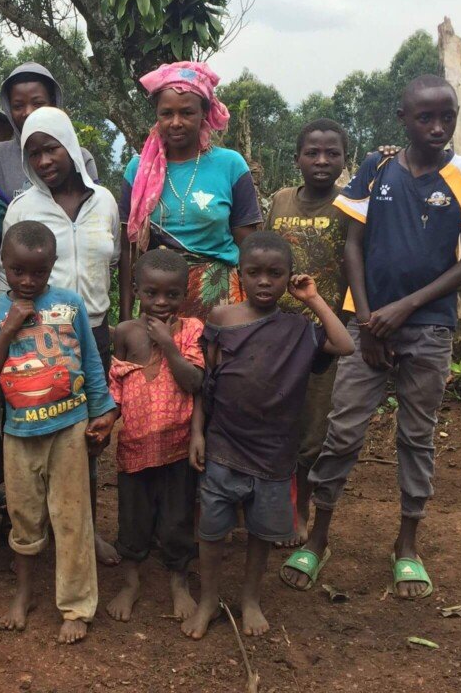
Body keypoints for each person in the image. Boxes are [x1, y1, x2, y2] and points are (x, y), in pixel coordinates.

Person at [281, 75, 461, 599]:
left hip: (428, 330)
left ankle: (407, 545)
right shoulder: (375, 169)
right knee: (343, 432)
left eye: (446, 116)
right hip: (369, 328)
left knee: (416, 436)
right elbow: (353, 245)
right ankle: (319, 538)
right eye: (425, 117)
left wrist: (403, 308)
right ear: (402, 118)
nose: (438, 126)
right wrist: (369, 317)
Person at [181, 232, 354, 640]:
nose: (264, 281)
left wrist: (312, 299)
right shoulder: (222, 319)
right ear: (240, 274)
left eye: (275, 274)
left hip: (275, 452)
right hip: (223, 443)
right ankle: (208, 600)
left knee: (260, 532)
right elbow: (207, 382)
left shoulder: (298, 327)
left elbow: (344, 345)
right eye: (254, 273)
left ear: (290, 278)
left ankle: (250, 599)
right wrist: (197, 432)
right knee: (212, 530)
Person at [0, 221, 118, 645]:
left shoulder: (70, 305)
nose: (28, 280)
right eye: (18, 271)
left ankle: (76, 606)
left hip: (69, 429)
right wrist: (8, 328)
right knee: (24, 519)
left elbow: (92, 365)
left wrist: (102, 413)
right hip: (18, 433)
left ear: (52, 266)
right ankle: (22, 595)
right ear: (5, 265)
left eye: (38, 272)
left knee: (73, 519)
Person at [0, 105, 122, 566]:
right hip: (38, 340)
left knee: (88, 439)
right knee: (39, 443)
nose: (45, 160)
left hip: (94, 333)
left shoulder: (104, 201)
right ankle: (38, 538)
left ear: (69, 145)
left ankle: (85, 537)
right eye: (34, 154)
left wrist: (124, 318)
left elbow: (116, 262)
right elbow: (3, 279)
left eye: (51, 148)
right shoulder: (23, 208)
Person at [118, 61, 262, 323]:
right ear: (157, 115)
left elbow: (249, 246)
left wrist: (254, 316)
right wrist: (127, 319)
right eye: (166, 114)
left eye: (186, 113)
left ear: (204, 113)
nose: (176, 122)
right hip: (160, 301)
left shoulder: (230, 165)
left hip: (220, 300)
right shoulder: (139, 169)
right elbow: (128, 253)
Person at [105, 249, 204, 623]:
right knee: (133, 518)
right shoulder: (127, 332)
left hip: (178, 448)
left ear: (185, 293)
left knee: (177, 520)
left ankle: (179, 582)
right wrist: (105, 422)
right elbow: (118, 386)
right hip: (135, 448)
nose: (162, 302)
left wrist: (167, 343)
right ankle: (131, 582)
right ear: (136, 291)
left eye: (172, 295)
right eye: (152, 294)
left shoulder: (193, 330)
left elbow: (194, 381)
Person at [265, 118, 350, 547]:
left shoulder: (350, 205)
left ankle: (300, 511)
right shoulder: (280, 201)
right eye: (312, 152)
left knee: (312, 431)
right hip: (276, 334)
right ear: (297, 157)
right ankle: (269, 506)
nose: (321, 160)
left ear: (343, 159)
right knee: (274, 421)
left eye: (331, 153)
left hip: (323, 337)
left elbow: (357, 265)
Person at [0, 62, 99, 233]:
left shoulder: (79, 157)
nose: (28, 112)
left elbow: (93, 216)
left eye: (38, 103)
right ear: (8, 109)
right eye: (18, 106)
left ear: (54, 104)